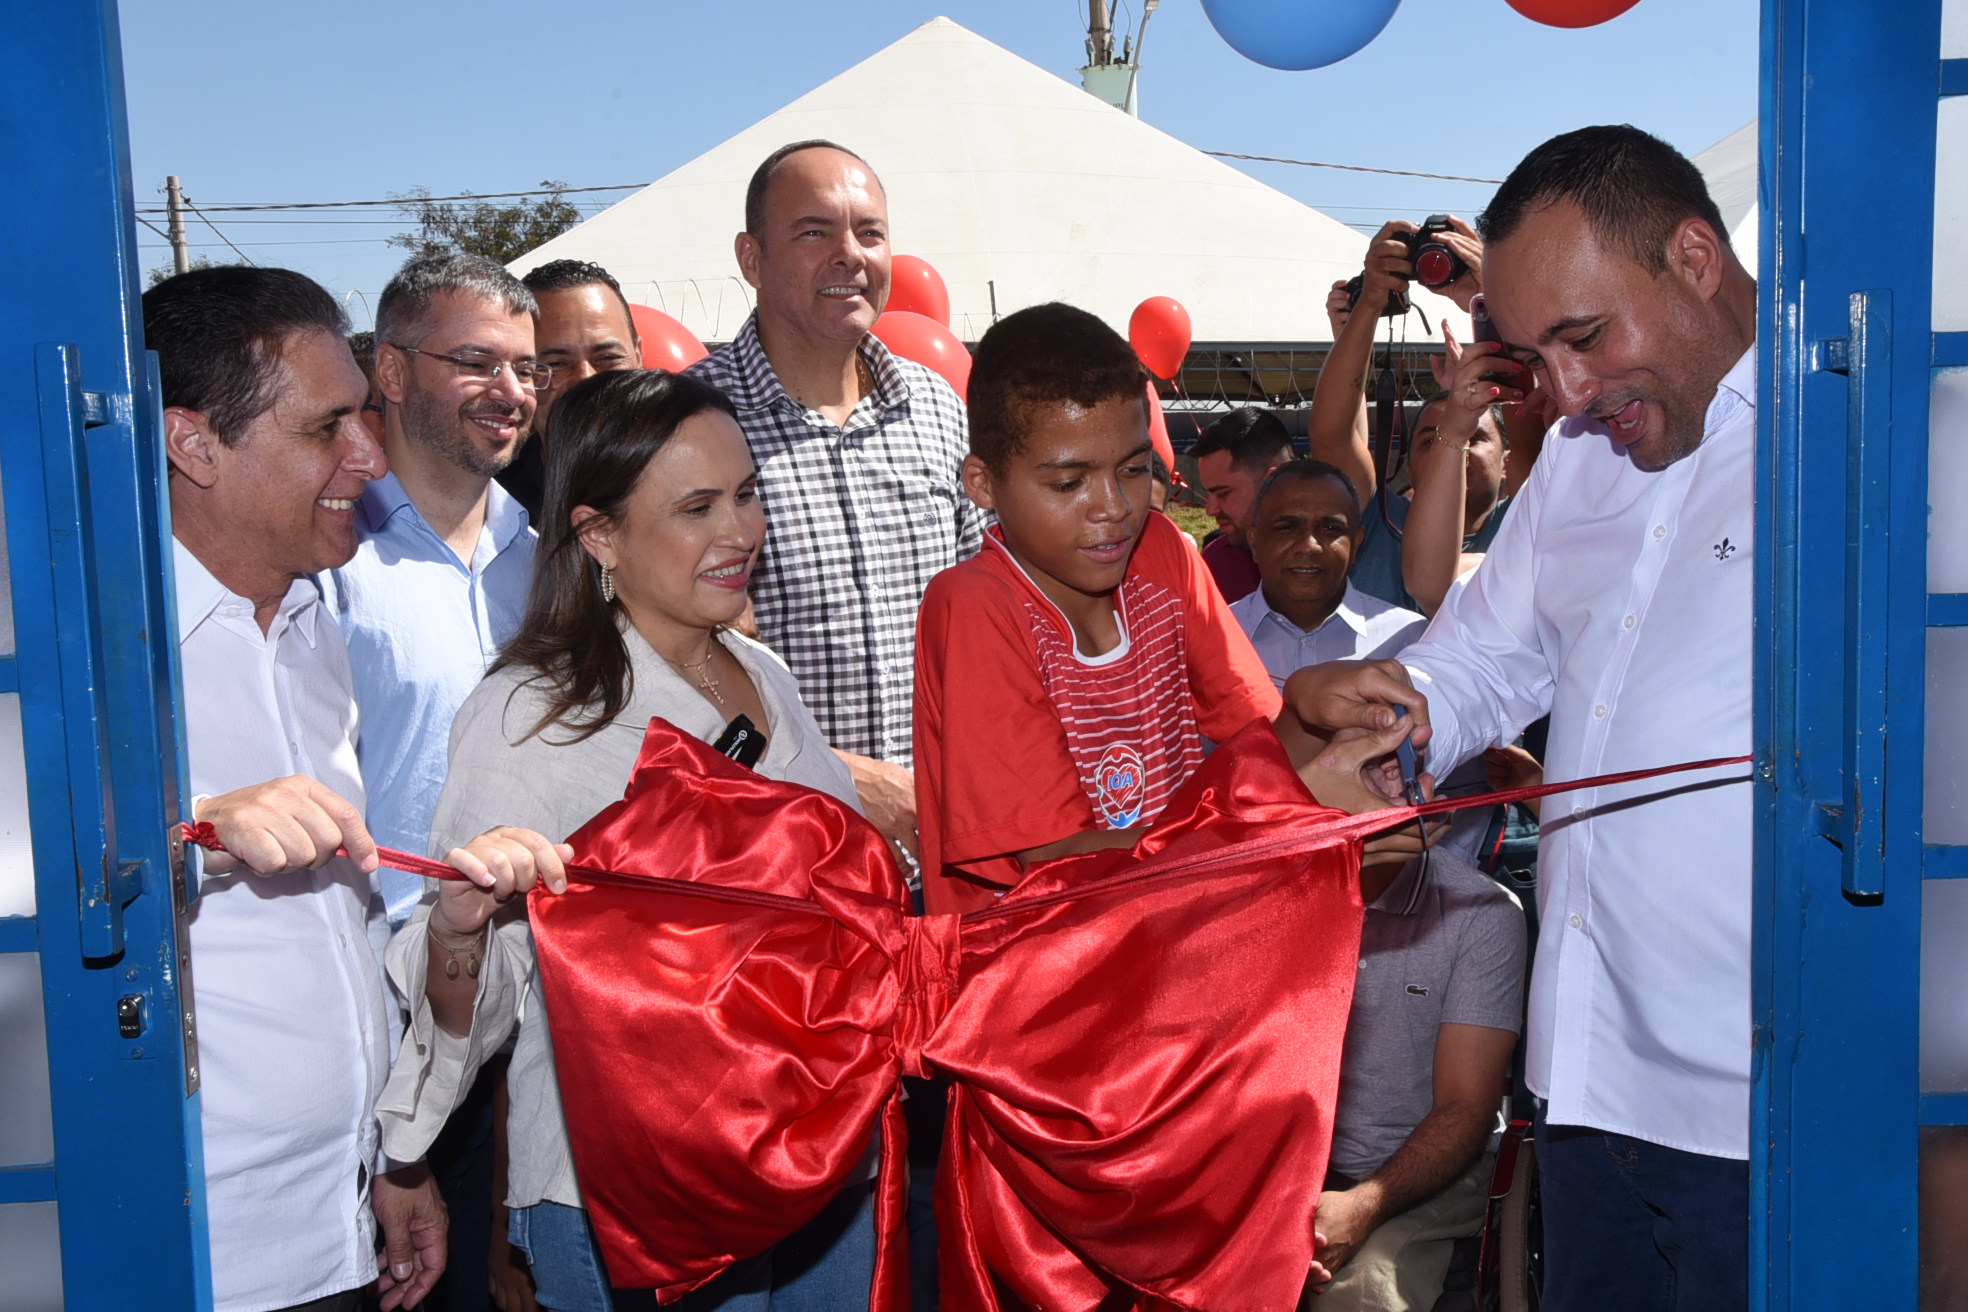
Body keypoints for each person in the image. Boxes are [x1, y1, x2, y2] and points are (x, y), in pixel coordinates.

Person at [1285, 125, 1759, 1310]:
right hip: (1587, 1085)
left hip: (1768, 1107)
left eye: (1585, 337)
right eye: (1536, 353)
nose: (1570, 393)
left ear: (1696, 257)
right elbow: (1486, 658)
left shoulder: (1869, 436)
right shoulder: (1584, 462)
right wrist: (1391, 720)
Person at [376, 369, 877, 1312]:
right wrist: (459, 930)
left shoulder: (764, 676)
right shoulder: (535, 715)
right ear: (598, 534)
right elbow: (480, 1003)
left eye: (746, 494)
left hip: (820, 1164)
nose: (742, 532)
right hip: (637, 1195)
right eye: (697, 508)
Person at [146, 265, 559, 1312]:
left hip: (336, 1221)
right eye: (329, 428)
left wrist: (392, 1162)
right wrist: (179, 829)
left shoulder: (308, 625)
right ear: (193, 444)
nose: (368, 457)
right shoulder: (81, 653)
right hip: (188, 1250)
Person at [913, 302, 1421, 917]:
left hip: (1171, 938)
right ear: (984, 484)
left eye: (1131, 470)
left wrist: (1318, 722)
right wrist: (1268, 820)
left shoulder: (1161, 551)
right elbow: (1059, 864)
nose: (1113, 508)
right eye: (1069, 483)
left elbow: (1254, 751)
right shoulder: (973, 604)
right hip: (1041, 975)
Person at [322, 253, 545, 1312]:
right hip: (383, 1019)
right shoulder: (327, 555)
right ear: (393, 373)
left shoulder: (550, 561)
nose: (512, 390)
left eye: (527, 368)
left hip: (531, 1014)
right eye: (478, 362)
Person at [689, 139, 982, 865]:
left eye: (870, 232)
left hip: (954, 854)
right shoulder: (688, 419)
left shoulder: (938, 410)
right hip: (785, 865)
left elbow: (993, 615)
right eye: (815, 231)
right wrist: (833, 775)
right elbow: (656, 656)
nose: (850, 254)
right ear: (751, 259)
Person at [1306, 844, 1525, 1311]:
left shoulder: (1480, 912)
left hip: (1425, 1164)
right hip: (1295, 1163)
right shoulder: (1273, 886)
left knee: (1357, 1300)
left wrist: (1363, 1207)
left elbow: (1465, 1106)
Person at [1307, 219, 1511, 612]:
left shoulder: (1528, 518)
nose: (1452, 446)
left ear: (1508, 462)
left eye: (1475, 437)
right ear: (1409, 465)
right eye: (1429, 440)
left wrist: (1494, 295)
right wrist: (1369, 303)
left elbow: (1546, 415)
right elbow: (1332, 436)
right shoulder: (1382, 522)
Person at [1230, 460, 1426, 687]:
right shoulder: (1213, 638)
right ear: (1254, 543)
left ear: (1356, 544)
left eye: (1330, 529)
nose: (1308, 546)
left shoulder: (1410, 639)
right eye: (1287, 528)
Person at [498, 259, 644, 523]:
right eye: (556, 364)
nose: (585, 378)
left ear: (638, 357)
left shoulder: (702, 475)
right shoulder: (488, 504)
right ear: (521, 373)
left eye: (607, 358)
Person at [1189, 406, 1295, 603]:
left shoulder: (1332, 560)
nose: (1210, 510)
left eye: (1223, 493)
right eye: (1208, 494)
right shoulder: (1217, 561)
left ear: (1272, 482)